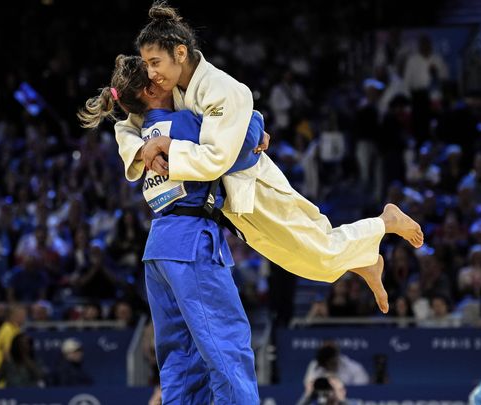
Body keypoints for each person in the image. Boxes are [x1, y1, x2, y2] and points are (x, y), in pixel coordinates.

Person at [111, 1, 424, 314]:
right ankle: (365, 262)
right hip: (231, 201)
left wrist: (171, 145)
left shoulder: (220, 88)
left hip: (255, 185)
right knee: (305, 263)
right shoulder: (175, 87)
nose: (151, 73)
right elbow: (128, 124)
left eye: (155, 63)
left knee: (320, 251)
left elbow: (215, 159)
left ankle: (385, 221)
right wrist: (142, 149)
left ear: (180, 53)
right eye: (147, 64)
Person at [80, 55, 259, 404]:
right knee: (227, 345)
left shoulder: (143, 134)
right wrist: (256, 121)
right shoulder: (182, 124)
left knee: (181, 361)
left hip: (160, 246)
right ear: (150, 89)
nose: (168, 81)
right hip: (192, 243)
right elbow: (240, 145)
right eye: (157, 78)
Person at [0, 304, 26, 388]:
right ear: (13, 316)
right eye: (21, 315)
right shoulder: (8, 329)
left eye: (24, 315)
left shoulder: (15, 329)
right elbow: (6, 352)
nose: (24, 318)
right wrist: (13, 370)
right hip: (0, 366)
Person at [303, 341, 369, 388]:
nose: (327, 366)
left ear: (335, 357)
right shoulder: (315, 365)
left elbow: (362, 391)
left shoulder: (355, 368)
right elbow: (308, 387)